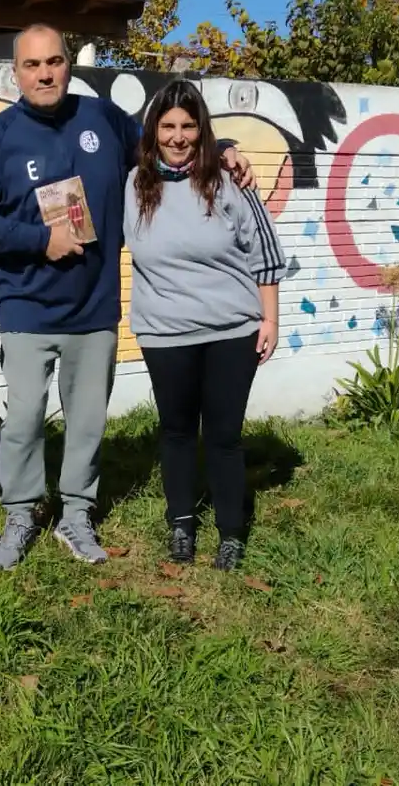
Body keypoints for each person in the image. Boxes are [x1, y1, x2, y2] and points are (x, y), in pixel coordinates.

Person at [0, 23, 255, 571]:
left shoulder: (99, 118)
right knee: (24, 418)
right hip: (26, 306)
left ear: (68, 64)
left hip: (95, 309)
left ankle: (76, 514)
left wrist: (227, 148)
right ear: (15, 73)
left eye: (54, 61)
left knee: (88, 422)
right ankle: (21, 512)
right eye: (33, 65)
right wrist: (39, 239)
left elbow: (167, 141)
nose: (45, 73)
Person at [123, 80, 282, 572]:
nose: (177, 136)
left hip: (231, 331)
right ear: (153, 131)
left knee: (223, 435)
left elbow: (266, 254)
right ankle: (181, 524)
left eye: (188, 126)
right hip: (164, 332)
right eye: (167, 126)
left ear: (202, 129)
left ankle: (231, 533)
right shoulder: (133, 184)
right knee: (174, 431)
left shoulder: (230, 180)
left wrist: (270, 317)